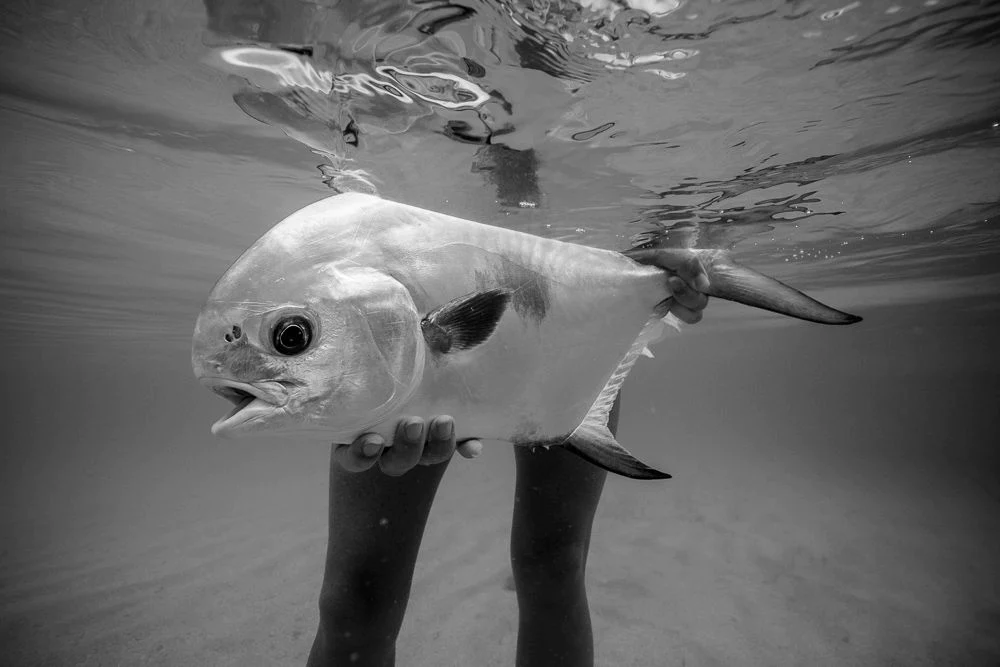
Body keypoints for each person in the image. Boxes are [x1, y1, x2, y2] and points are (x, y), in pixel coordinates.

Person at [306, 247, 710, 667]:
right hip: (413, 320)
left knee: (554, 565)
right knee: (357, 599)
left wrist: (657, 272)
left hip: (564, 322)